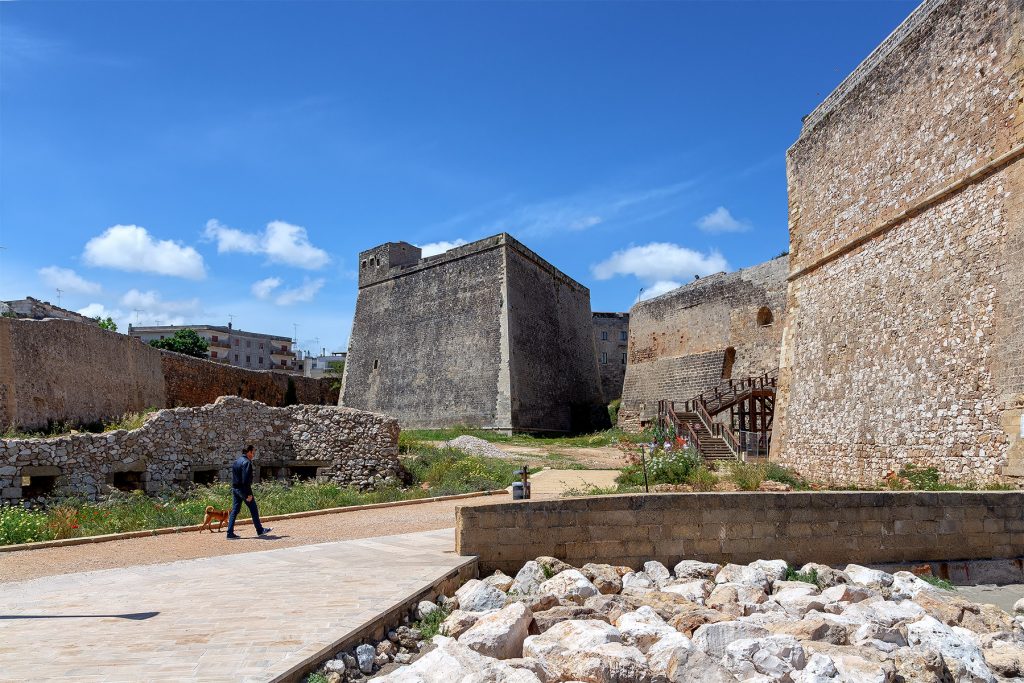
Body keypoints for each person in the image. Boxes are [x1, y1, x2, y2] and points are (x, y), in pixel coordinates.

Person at [226, 445, 272, 539]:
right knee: (253, 509)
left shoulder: (236, 461)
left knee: (235, 511)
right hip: (243, 490)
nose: (253, 455)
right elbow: (246, 480)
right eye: (253, 453)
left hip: (235, 488)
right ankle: (259, 530)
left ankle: (229, 533)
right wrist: (248, 494)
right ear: (249, 452)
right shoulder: (247, 463)